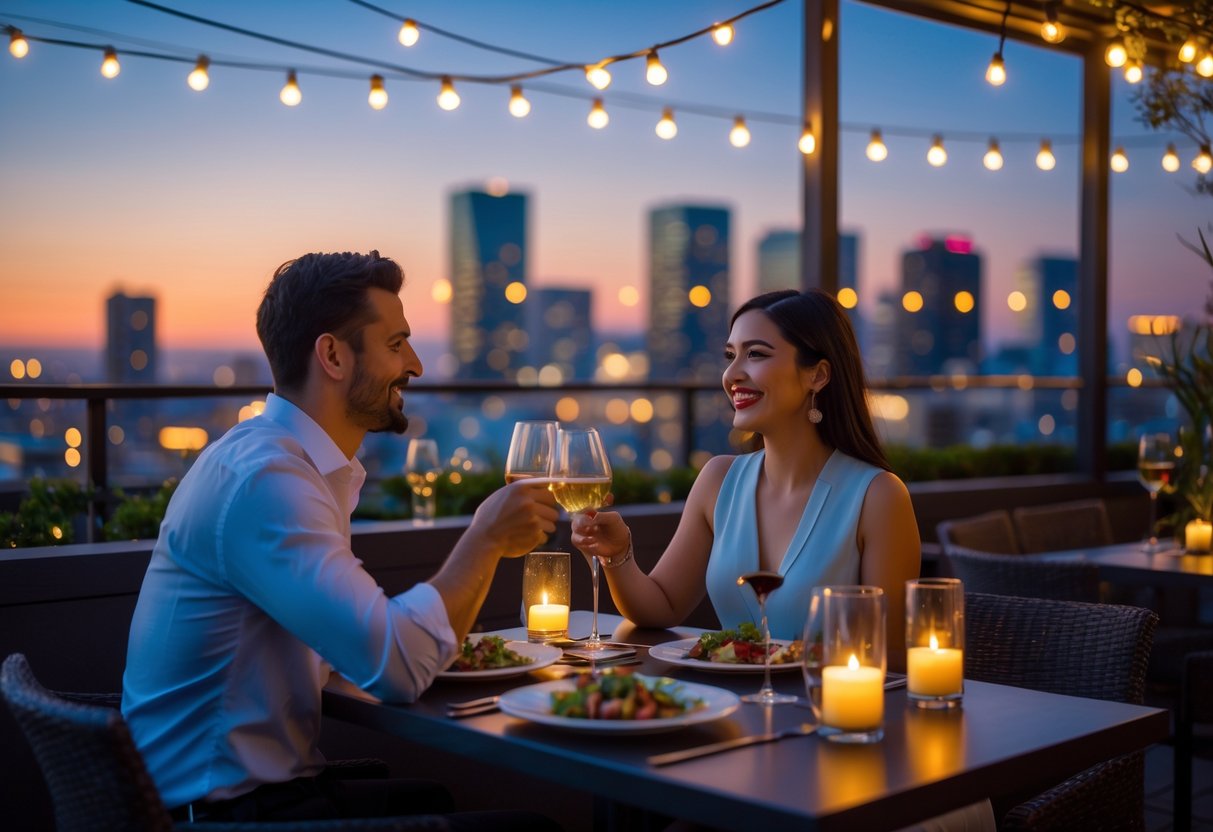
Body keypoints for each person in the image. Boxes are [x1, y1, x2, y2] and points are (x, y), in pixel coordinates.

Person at [122, 251, 560, 826]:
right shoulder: (267, 482)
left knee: (432, 799)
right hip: (221, 813)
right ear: (332, 355)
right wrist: (484, 538)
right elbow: (397, 669)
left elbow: (354, 646)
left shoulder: (284, 463)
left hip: (243, 796)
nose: (417, 365)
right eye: (397, 342)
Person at [571, 289, 921, 666]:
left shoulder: (878, 496)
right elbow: (662, 605)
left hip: (824, 715)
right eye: (730, 355)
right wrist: (618, 554)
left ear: (817, 376)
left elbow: (891, 660)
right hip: (728, 714)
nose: (732, 375)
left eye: (755, 354)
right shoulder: (719, 479)